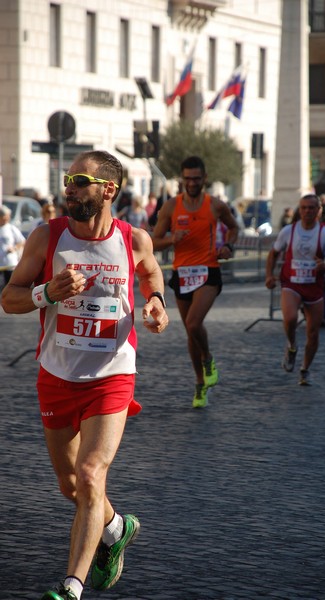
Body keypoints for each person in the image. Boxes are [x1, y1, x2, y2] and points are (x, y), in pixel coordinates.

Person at [1, 150, 169, 600]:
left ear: (107, 191)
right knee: (70, 483)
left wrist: (156, 304)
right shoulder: (46, 237)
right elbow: (9, 298)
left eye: (78, 180)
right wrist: (46, 292)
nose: (67, 188)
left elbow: (152, 275)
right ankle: (116, 527)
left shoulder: (133, 240)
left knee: (92, 473)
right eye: (67, 180)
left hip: (113, 373)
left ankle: (71, 586)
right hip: (57, 373)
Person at [152, 155, 239, 408]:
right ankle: (200, 383)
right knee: (191, 332)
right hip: (182, 273)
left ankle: (208, 358)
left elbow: (233, 228)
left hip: (208, 271)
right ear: (182, 179)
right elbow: (154, 242)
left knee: (193, 322)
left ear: (204, 179)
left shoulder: (216, 205)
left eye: (196, 179)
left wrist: (228, 246)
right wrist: (172, 239)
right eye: (188, 178)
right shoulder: (170, 207)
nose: (192, 183)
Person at [265, 193, 325, 386]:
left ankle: (305, 369)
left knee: (313, 333)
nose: (307, 211)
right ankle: (291, 346)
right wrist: (269, 275)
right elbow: (273, 253)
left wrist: (324, 266)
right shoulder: (289, 231)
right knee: (289, 318)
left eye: (311, 208)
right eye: (304, 208)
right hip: (291, 282)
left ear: (318, 211)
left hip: (314, 287)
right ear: (299, 209)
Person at [0, 204, 26, 285]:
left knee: (9, 284)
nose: (8, 218)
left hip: (9, 263)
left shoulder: (11, 228)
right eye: (6, 216)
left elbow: (22, 241)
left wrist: (14, 248)